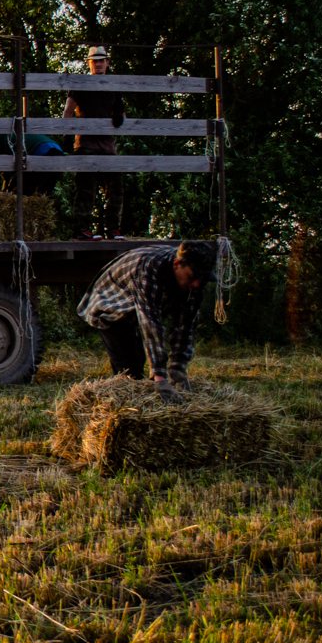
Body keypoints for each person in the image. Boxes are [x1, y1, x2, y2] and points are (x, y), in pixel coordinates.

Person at [78, 240, 216, 402]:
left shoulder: (195, 280)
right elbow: (151, 324)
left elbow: (187, 323)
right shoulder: (150, 271)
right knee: (130, 371)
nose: (197, 284)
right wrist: (160, 377)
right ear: (177, 264)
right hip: (111, 305)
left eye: (202, 278)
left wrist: (178, 367)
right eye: (192, 277)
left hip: (136, 308)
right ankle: (123, 413)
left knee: (144, 366)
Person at [64, 46, 126, 238]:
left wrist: (118, 117)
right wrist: (66, 134)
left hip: (108, 146)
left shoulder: (113, 86)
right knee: (85, 189)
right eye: (94, 61)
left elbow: (122, 113)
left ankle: (112, 228)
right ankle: (82, 229)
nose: (98, 64)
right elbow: (68, 110)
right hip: (86, 144)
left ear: (107, 62)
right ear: (89, 63)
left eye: (101, 60)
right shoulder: (80, 83)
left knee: (116, 187)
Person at [0, 132, 65, 195]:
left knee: (17, 195)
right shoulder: (11, 134)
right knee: (41, 197)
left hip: (41, 153)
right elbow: (7, 175)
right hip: (59, 153)